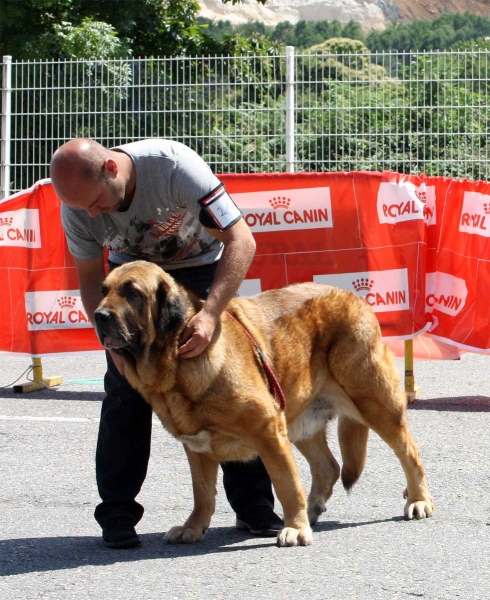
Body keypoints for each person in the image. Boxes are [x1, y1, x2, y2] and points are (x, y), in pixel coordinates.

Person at [50, 138, 282, 549]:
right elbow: (90, 280)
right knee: (125, 394)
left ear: (110, 168)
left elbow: (242, 241)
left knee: (228, 389)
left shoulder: (174, 168)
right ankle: (118, 514)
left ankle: (254, 506)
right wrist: (113, 347)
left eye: (97, 203)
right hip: (133, 284)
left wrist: (210, 315)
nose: (91, 214)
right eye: (81, 207)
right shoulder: (78, 206)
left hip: (200, 275)